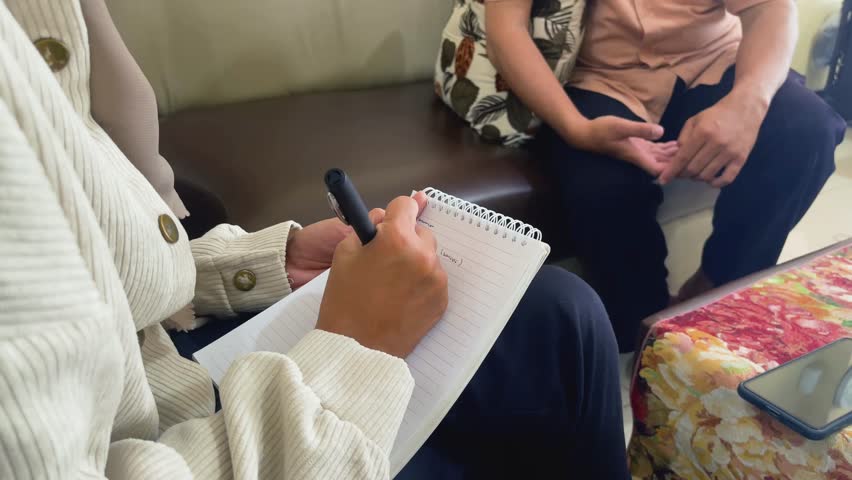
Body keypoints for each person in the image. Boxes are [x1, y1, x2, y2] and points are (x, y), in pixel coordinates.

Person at [0, 1, 629, 478]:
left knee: (557, 313)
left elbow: (89, 241)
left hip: (155, 349)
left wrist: (269, 262)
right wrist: (360, 343)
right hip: (165, 434)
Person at [485, 0, 848, 351]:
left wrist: (748, 102)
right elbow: (506, 28)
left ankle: (717, 293)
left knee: (808, 131)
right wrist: (576, 128)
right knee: (604, 190)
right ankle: (644, 327)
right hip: (599, 75)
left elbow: (770, 8)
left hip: (713, 59)